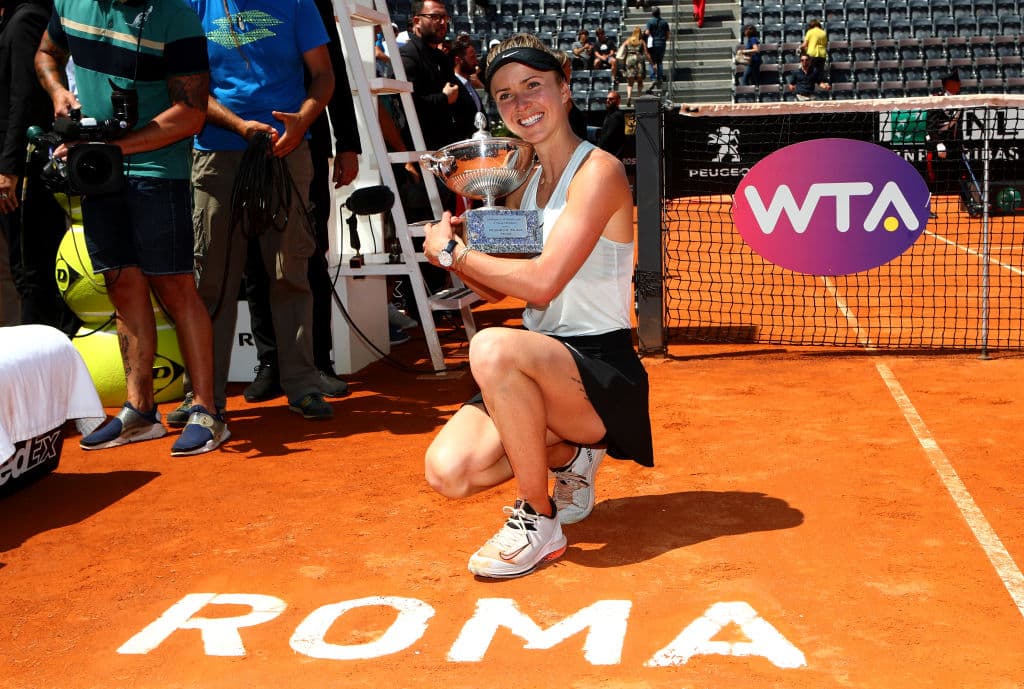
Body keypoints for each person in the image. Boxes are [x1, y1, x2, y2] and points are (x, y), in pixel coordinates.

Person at [421, 34, 653, 579]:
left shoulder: (599, 172)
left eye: (533, 87)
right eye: (504, 96)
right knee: (448, 473)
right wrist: (463, 253)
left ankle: (538, 517)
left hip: (599, 367)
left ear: (565, 89)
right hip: (538, 362)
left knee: (493, 345)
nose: (521, 105)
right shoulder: (518, 185)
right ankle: (569, 458)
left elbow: (543, 284)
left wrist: (456, 254)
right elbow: (502, 290)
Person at [36, 0, 228, 456]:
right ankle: (140, 412)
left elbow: (191, 113)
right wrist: (58, 92)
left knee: (174, 285)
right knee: (121, 283)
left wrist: (115, 147)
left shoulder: (175, 16)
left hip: (157, 170)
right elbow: (46, 53)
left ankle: (207, 411)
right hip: (98, 169)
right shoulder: (69, 2)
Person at [182, 0, 337, 421]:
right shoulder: (194, 5)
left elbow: (323, 75)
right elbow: (189, 87)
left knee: (291, 272)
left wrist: (303, 120)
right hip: (217, 153)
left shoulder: (297, 3)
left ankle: (303, 385)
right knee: (211, 279)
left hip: (287, 151)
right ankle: (202, 395)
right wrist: (237, 126)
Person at [226, 0, 361, 409]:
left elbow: (329, 70)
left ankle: (316, 360)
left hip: (304, 139)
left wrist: (348, 145)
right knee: (252, 258)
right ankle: (270, 362)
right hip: (240, 141)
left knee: (305, 253)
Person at [1, 0, 77, 334]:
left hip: (27, 168)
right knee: (25, 268)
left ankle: (43, 362)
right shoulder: (19, 18)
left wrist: (9, 168)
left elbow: (24, 101)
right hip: (22, 164)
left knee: (32, 270)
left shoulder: (28, 19)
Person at [926, 70, 965, 217]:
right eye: (957, 81)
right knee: (932, 178)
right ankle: (925, 208)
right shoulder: (937, 99)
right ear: (949, 84)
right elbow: (930, 126)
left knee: (959, 174)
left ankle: (968, 204)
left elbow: (957, 126)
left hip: (952, 145)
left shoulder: (960, 101)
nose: (960, 84)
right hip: (936, 145)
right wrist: (938, 144)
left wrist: (960, 143)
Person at [451, 35, 484, 141]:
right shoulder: (452, 87)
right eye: (472, 58)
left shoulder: (469, 84)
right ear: (458, 60)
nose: (476, 62)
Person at [616, 26, 651, 106]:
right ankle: (639, 97)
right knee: (640, 81)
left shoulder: (628, 40)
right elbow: (646, 53)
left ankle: (629, 97)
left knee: (630, 82)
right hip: (638, 60)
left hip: (629, 59)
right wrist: (652, 63)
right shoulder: (641, 42)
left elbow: (622, 48)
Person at [644, 7, 669, 90]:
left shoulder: (650, 22)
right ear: (659, 13)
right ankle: (660, 77)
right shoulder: (664, 22)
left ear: (652, 13)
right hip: (661, 43)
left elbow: (647, 32)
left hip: (653, 44)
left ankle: (653, 78)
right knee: (660, 61)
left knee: (652, 61)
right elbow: (667, 35)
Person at [596, 90, 625, 157]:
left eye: (611, 99)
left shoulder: (616, 116)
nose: (608, 100)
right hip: (607, 154)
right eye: (607, 98)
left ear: (618, 101)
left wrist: (598, 149)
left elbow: (608, 136)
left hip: (611, 155)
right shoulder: (610, 115)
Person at [799, 18, 827, 84]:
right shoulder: (823, 33)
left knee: (811, 70)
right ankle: (820, 84)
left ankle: (811, 83)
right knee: (820, 71)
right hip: (822, 54)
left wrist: (799, 47)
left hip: (812, 53)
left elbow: (805, 44)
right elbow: (825, 44)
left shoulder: (810, 32)